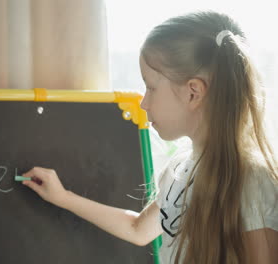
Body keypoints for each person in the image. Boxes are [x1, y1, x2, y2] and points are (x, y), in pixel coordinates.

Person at [21, 10, 278, 264]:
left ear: (193, 92)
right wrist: (63, 197)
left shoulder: (252, 181)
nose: (143, 103)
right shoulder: (181, 169)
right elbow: (138, 229)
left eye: (151, 87)